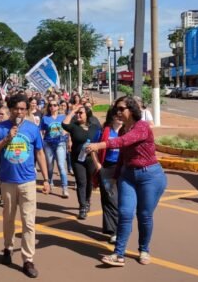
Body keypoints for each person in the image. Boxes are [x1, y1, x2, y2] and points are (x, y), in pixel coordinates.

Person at [87, 96, 167, 267]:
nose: (118, 112)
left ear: (132, 109)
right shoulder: (124, 129)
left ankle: (144, 249)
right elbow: (123, 155)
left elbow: (123, 142)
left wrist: (99, 145)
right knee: (125, 213)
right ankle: (118, 254)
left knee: (144, 215)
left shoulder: (142, 127)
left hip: (150, 176)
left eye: (121, 108)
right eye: (116, 109)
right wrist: (116, 176)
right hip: (128, 175)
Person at [0, 94, 50, 278]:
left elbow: (39, 153)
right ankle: (8, 248)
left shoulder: (33, 128)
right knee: (8, 219)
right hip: (7, 181)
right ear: (10, 109)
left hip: (28, 182)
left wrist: (46, 179)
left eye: (23, 109)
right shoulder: (0, 128)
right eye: (16, 108)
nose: (20, 112)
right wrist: (6, 139)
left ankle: (28, 259)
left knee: (29, 222)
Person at [62, 104, 101, 219]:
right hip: (77, 159)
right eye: (77, 113)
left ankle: (87, 200)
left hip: (91, 159)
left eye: (81, 113)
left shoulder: (95, 127)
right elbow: (64, 124)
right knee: (81, 182)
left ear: (87, 115)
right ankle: (82, 207)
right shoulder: (74, 126)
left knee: (89, 182)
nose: (78, 115)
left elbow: (101, 138)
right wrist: (72, 111)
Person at [91, 107, 122, 244]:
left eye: (122, 114)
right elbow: (93, 147)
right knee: (110, 199)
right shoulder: (104, 131)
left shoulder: (128, 131)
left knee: (122, 199)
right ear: (112, 116)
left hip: (123, 168)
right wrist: (98, 165)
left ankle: (118, 227)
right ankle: (113, 231)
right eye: (116, 114)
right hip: (107, 168)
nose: (119, 117)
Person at [40, 99, 69, 198]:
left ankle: (65, 188)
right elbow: (41, 131)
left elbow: (68, 128)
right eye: (51, 105)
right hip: (48, 144)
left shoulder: (63, 117)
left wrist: (67, 136)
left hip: (60, 143)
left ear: (58, 106)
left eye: (55, 105)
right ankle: (50, 182)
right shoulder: (45, 118)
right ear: (48, 107)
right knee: (50, 166)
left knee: (61, 165)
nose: (53, 107)